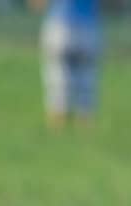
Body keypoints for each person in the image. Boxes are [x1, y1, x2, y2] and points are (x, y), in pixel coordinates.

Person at [29, 0, 102, 128]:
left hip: (59, 25)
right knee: (86, 83)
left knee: (57, 82)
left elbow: (37, 4)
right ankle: (84, 129)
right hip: (88, 26)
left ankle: (57, 129)